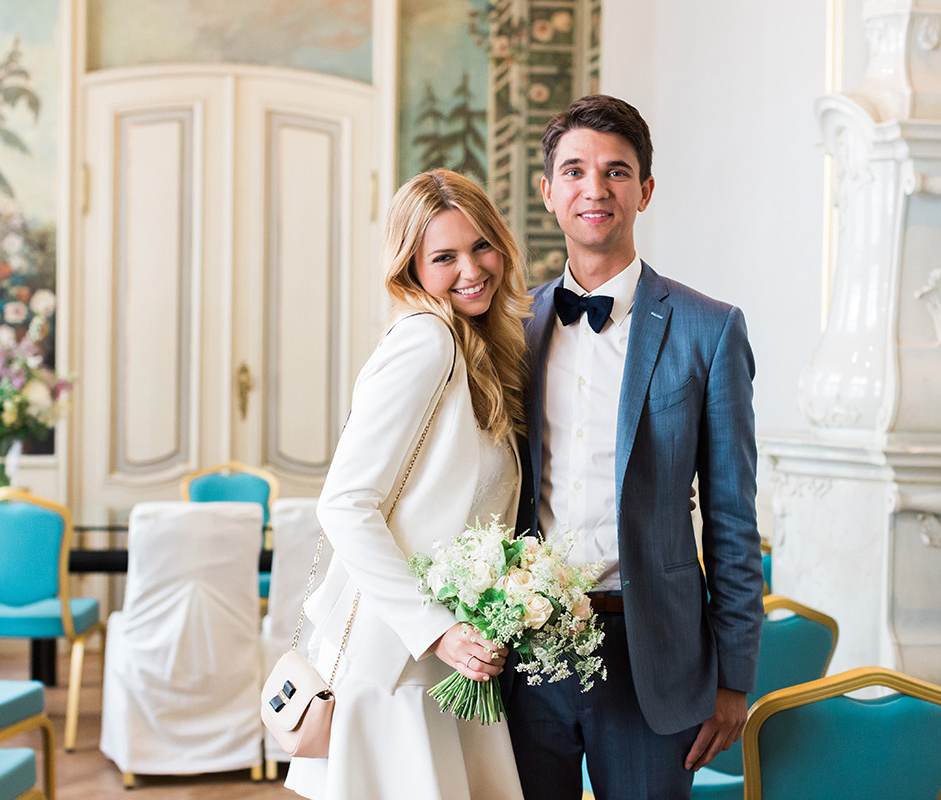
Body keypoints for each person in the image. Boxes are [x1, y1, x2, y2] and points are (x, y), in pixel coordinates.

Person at [505, 94, 763, 799]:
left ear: (645, 191)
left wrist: (734, 678)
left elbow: (734, 520)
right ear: (549, 191)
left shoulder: (710, 330)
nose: (596, 189)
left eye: (617, 172)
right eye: (576, 171)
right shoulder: (507, 328)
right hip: (525, 651)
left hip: (655, 654)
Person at [285, 169, 531, 800]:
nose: (471, 269)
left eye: (480, 246)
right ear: (411, 269)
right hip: (398, 660)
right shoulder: (427, 341)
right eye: (443, 257)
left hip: (442, 656)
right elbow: (344, 504)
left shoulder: (480, 345)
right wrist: (435, 629)